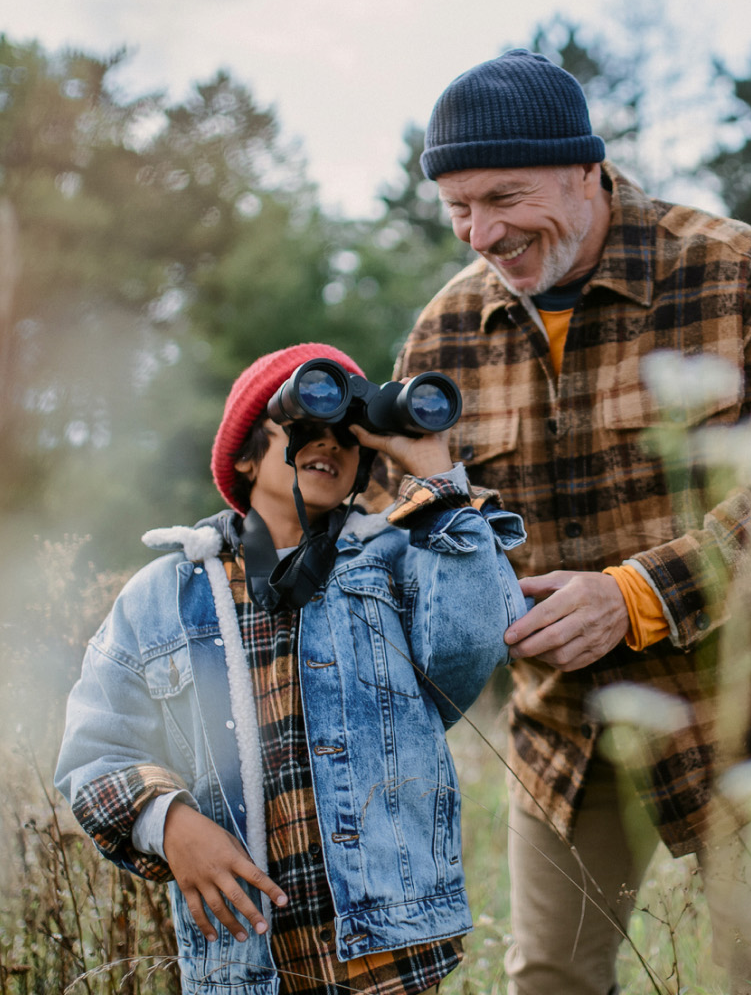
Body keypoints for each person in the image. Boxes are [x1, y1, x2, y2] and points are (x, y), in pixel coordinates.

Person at [396, 50, 751, 995]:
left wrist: (638, 596)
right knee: (550, 980)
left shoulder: (729, 271)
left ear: (585, 167)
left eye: (502, 197)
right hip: (562, 734)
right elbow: (416, 528)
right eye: (457, 210)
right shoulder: (443, 334)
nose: (482, 232)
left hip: (745, 719)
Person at [55, 343, 525, 995]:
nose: (329, 443)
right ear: (245, 456)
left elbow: (477, 639)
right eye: (304, 425)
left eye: (349, 434)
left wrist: (435, 477)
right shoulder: (162, 595)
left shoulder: (396, 560)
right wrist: (169, 823)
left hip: (386, 949)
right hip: (245, 963)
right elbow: (93, 752)